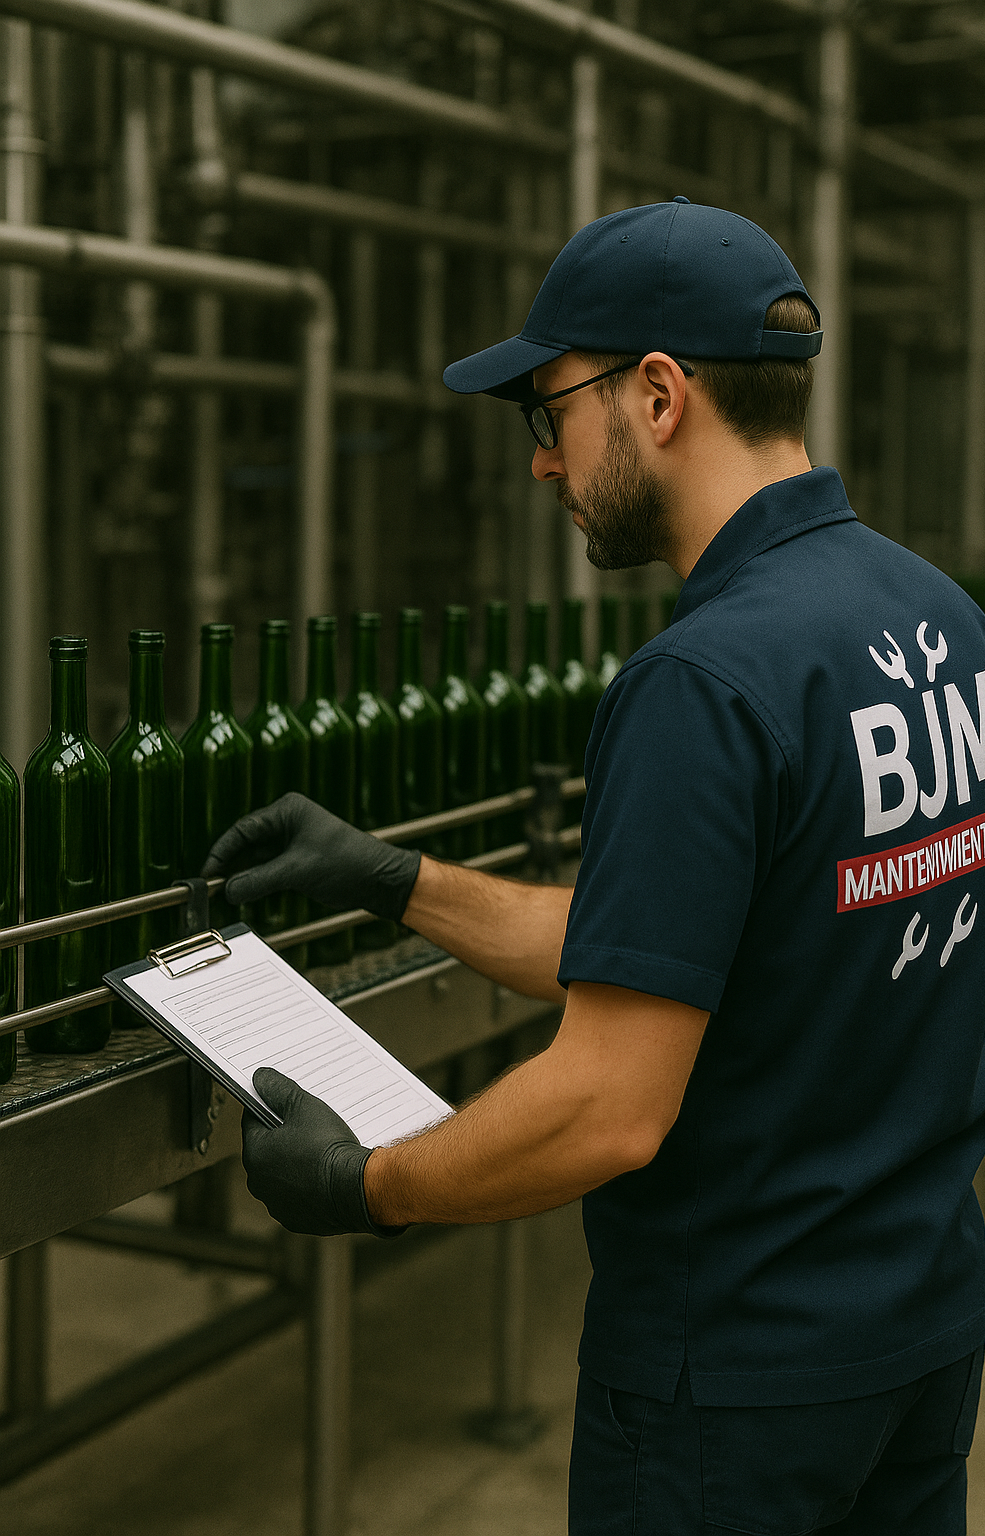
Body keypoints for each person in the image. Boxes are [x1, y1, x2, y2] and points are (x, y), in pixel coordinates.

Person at [203, 199, 985, 1534]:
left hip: (729, 1387)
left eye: (550, 409)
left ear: (660, 395)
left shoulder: (702, 683)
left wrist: (371, 1185)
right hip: (915, 1341)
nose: (541, 462)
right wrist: (398, 880)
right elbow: (701, 946)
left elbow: (611, 1106)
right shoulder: (939, 619)